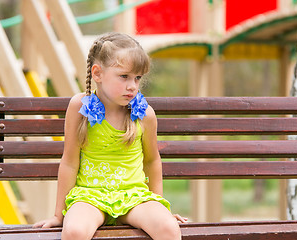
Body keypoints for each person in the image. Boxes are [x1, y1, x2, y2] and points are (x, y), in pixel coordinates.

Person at [33, 32, 187, 240]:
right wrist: (58, 215)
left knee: (168, 228)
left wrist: (159, 205)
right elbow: (69, 162)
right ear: (97, 74)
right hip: (90, 196)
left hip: (133, 196)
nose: (132, 85)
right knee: (75, 231)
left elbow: (152, 161)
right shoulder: (80, 107)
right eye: (124, 76)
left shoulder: (144, 114)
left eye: (137, 78)